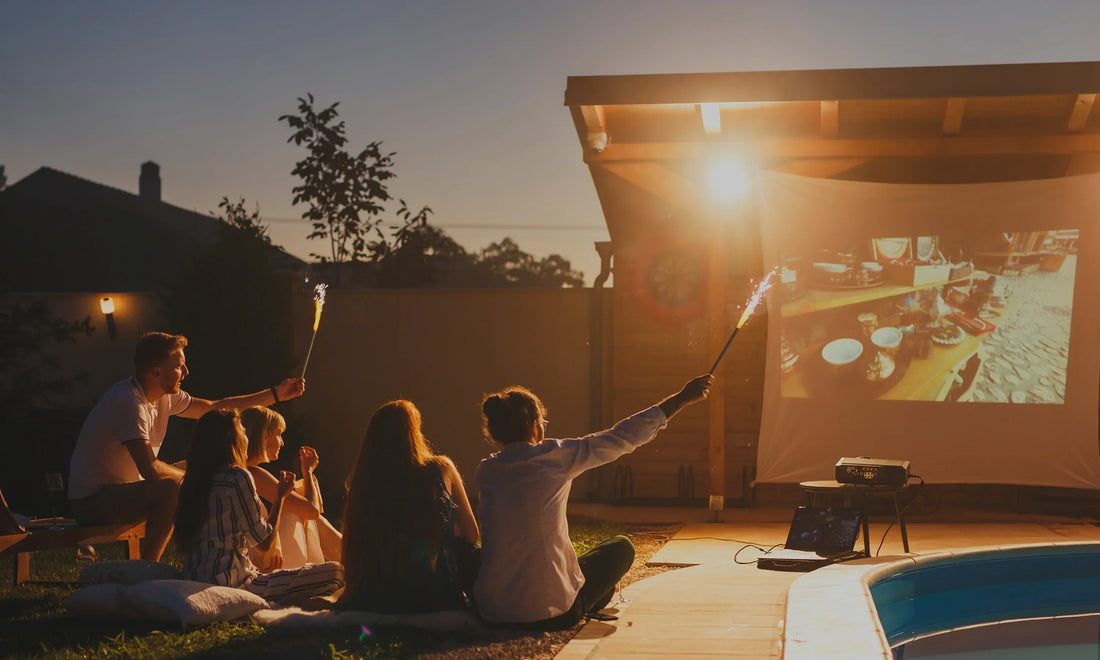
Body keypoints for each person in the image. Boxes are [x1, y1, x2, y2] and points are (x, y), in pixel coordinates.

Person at [474, 374, 713, 630]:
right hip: (553, 611)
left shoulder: (486, 470)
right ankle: (588, 599)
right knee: (621, 547)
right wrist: (682, 398)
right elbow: (622, 437)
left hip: (492, 612)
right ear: (534, 426)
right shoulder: (557, 456)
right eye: (542, 421)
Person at [68, 332, 305, 561]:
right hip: (93, 500)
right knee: (173, 486)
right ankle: (149, 566)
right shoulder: (129, 402)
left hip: (128, 490)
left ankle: (214, 556)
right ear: (157, 371)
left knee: (202, 469)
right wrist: (195, 478)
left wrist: (276, 394)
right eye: (179, 366)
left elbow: (216, 407)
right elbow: (150, 469)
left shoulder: (165, 396)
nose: (186, 372)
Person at [175, 409, 343, 605]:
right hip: (238, 584)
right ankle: (358, 569)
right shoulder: (238, 476)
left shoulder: (194, 479)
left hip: (201, 577)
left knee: (307, 523)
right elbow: (264, 545)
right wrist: (281, 496)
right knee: (337, 572)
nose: (246, 438)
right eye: (242, 433)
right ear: (233, 440)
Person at [337, 400, 479, 614]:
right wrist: (442, 529)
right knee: (474, 553)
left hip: (371, 595)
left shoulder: (363, 484)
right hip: (434, 596)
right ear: (414, 434)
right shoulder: (441, 468)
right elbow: (470, 534)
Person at [240, 406, 342, 567]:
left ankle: (353, 556)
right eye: (279, 434)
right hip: (260, 559)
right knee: (296, 513)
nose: (282, 442)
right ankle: (355, 558)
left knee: (296, 510)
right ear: (264, 436)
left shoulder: (242, 470)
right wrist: (307, 472)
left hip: (256, 551)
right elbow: (312, 510)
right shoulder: (251, 473)